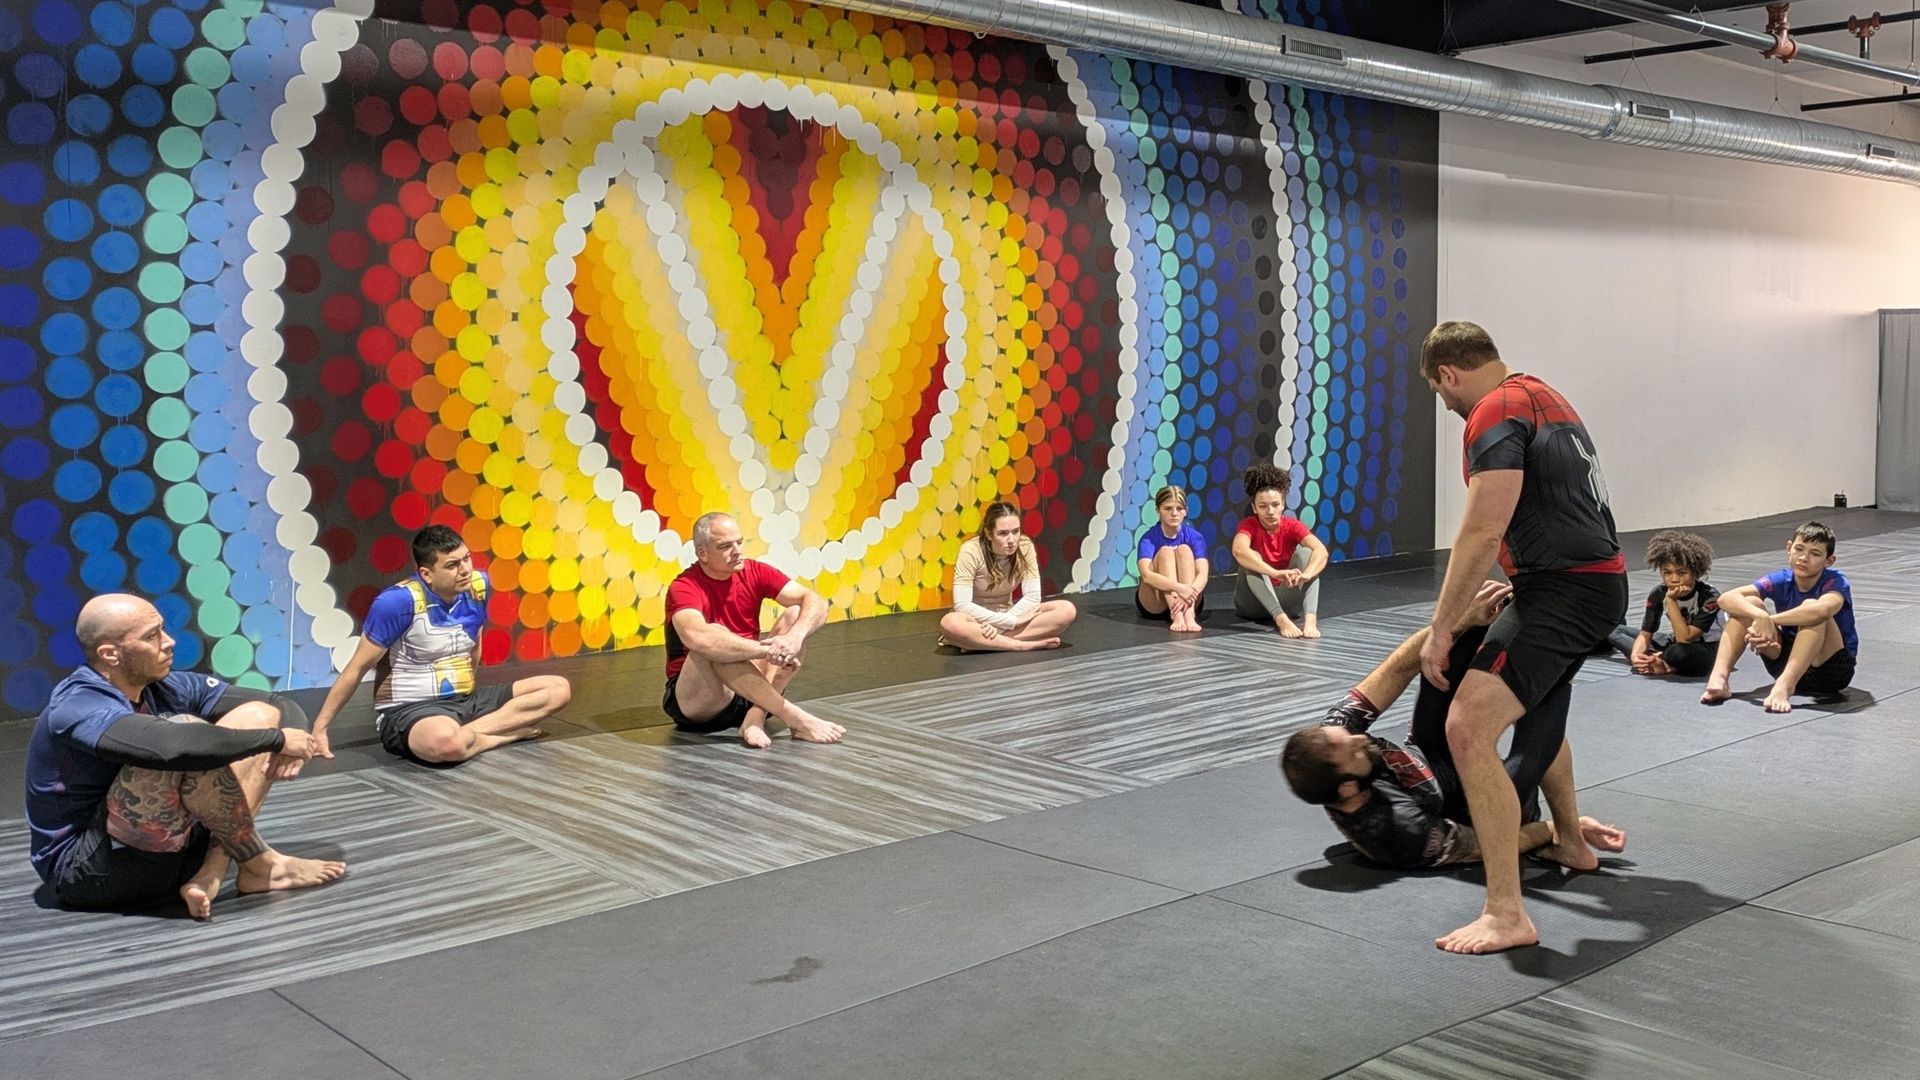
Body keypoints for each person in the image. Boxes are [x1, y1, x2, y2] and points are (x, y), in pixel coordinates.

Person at [1418, 320, 1628, 954]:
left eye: (1437, 390)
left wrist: (1441, 629)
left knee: (1466, 727)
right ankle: (1568, 838)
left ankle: (1506, 911)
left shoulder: (1491, 412)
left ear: (1448, 375)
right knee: (1531, 702)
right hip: (1586, 583)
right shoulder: (1542, 394)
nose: (1443, 402)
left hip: (1564, 592)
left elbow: (1482, 533)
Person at [25, 594, 344, 919]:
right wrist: (277, 740)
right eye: (152, 636)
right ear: (110, 654)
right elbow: (174, 747)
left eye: (163, 629)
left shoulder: (166, 685)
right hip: (94, 869)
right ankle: (257, 861)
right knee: (190, 733)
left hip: (171, 851)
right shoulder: (76, 703)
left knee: (258, 714)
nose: (169, 642)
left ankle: (219, 871)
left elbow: (278, 703)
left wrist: (293, 737)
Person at [1282, 582, 1625, 870]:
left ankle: (1524, 623)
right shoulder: (1398, 832)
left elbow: (1396, 670)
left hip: (1429, 751)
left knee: (1454, 642)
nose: (1361, 738)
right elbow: (1480, 844)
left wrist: (1453, 626)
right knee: (1539, 716)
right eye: (1355, 749)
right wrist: (1556, 830)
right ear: (1348, 789)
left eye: (1352, 736)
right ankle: (1570, 842)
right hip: (1466, 808)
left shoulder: (1336, 735)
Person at [311, 524, 572, 766]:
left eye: (467, 558)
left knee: (558, 689)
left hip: (463, 700)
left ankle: (471, 733)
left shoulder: (478, 586)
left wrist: (468, 692)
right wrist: (321, 727)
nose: (465, 570)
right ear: (426, 573)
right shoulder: (397, 603)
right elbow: (356, 668)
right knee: (448, 744)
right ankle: (505, 734)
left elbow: (474, 644)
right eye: (452, 565)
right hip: (410, 710)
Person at [664, 511, 845, 748]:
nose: (737, 550)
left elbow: (816, 603)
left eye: (739, 542)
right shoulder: (684, 587)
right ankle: (793, 716)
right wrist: (767, 651)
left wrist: (794, 638)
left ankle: (755, 716)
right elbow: (699, 638)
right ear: (702, 553)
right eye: (726, 546)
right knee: (716, 642)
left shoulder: (755, 571)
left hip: (748, 689)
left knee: (795, 615)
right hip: (701, 699)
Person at [1701, 521, 1857, 713]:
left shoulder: (1835, 581)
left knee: (1812, 609)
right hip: (1785, 661)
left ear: (1829, 561)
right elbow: (1726, 598)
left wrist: (1769, 620)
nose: (1804, 558)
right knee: (1750, 604)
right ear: (1789, 548)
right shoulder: (1782, 578)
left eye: (1815, 554)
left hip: (1829, 670)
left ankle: (1785, 687)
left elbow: (1822, 611)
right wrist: (1759, 614)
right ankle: (1720, 678)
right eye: (1799, 549)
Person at [938, 500, 1078, 651]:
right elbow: (962, 605)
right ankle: (1020, 645)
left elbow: (1033, 596)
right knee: (950, 623)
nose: (1011, 540)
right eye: (1003, 533)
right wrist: (1009, 622)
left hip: (1010, 615)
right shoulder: (971, 551)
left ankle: (981, 642)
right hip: (976, 621)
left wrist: (1002, 624)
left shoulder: (1025, 546)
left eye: (1016, 531)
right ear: (989, 533)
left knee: (1066, 610)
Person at [1230, 463, 1330, 638]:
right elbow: (1239, 551)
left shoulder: (1292, 526)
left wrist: (1307, 574)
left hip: (1287, 601)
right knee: (1251, 556)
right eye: (1263, 506)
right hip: (1252, 604)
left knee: (1307, 554)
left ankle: (1310, 620)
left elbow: (1321, 551)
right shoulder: (1249, 525)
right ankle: (1281, 620)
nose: (1270, 511)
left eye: (1275, 504)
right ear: (1254, 508)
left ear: (1283, 504)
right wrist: (1274, 572)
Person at [1608, 530, 1722, 678]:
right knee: (1613, 630)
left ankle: (1665, 664)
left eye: (1681, 573)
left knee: (1679, 652)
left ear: (1695, 572)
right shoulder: (1658, 592)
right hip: (1673, 641)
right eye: (1668, 573)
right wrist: (1636, 655)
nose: (1674, 579)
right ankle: (1652, 660)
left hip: (1705, 648)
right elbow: (1646, 633)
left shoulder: (1710, 597)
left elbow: (1685, 638)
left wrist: (1671, 600)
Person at [1135, 485, 1210, 632]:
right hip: (1155, 603)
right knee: (1165, 552)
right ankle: (1177, 615)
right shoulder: (1148, 539)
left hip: (1190, 600)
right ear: (1158, 510)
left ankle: (1188, 614)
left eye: (1179, 509)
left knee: (1184, 550)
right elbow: (1147, 576)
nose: (1174, 513)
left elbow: (1203, 574)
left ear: (1186, 511)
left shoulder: (1195, 537)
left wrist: (1189, 593)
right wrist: (1180, 589)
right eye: (1168, 508)